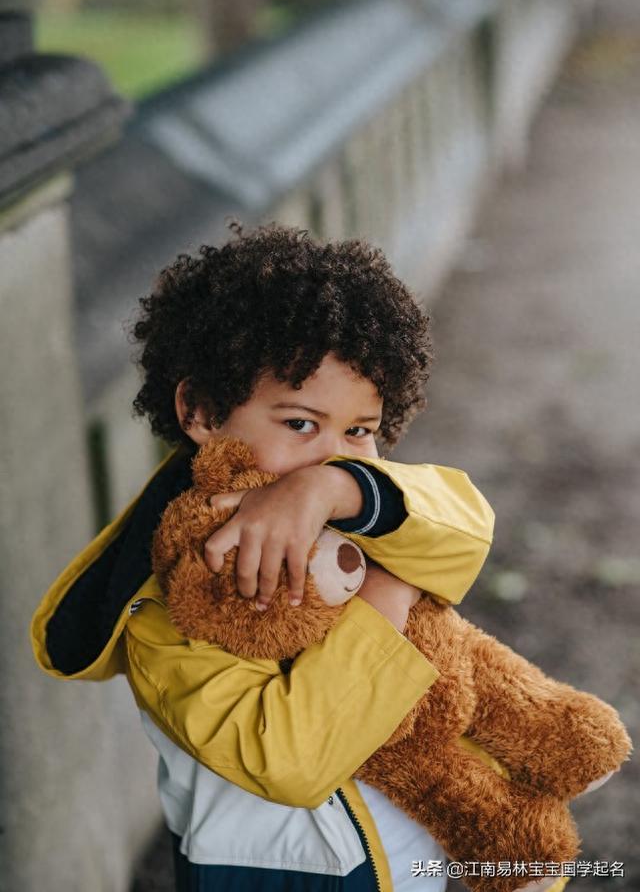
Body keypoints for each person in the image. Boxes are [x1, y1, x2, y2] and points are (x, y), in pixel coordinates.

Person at [31, 223, 496, 892]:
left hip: (405, 861)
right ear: (200, 410)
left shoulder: (354, 503)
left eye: (359, 430)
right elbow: (292, 761)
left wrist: (329, 486)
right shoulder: (171, 603)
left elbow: (467, 523)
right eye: (300, 424)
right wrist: (387, 594)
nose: (333, 454)